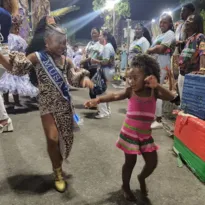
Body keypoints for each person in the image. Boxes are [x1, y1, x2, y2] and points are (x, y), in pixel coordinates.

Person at [0, 16, 93, 193]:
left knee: (64, 141)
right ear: (47, 41)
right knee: (52, 139)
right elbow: (18, 70)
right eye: (58, 42)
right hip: (46, 104)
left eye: (64, 42)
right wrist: (1, 58)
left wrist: (84, 79)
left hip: (65, 105)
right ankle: (57, 172)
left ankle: (58, 164)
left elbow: (73, 78)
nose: (62, 46)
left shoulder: (67, 61)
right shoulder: (36, 57)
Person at [85, 54, 177, 201]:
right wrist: (98, 99)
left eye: (135, 78)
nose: (131, 81)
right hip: (129, 134)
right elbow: (115, 95)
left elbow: (171, 97)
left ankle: (141, 177)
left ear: (148, 77)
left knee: (152, 162)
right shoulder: (130, 91)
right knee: (130, 162)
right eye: (129, 77)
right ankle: (126, 187)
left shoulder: (154, 92)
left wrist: (157, 85)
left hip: (145, 135)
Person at [0, 17, 38, 110]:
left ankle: (7, 102)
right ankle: (16, 103)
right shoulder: (17, 38)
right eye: (16, 28)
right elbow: (24, 49)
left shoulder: (7, 38)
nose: (17, 30)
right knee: (14, 83)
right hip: (16, 61)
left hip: (8, 60)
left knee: (7, 83)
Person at [147, 14, 175, 129]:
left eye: (165, 22)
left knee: (156, 89)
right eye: (161, 22)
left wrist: (150, 49)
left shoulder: (170, 34)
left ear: (170, 24)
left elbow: (161, 49)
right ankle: (154, 116)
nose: (162, 24)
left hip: (162, 65)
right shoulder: (160, 35)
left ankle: (158, 119)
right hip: (155, 65)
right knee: (152, 90)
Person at [91, 30, 116, 119]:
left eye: (100, 35)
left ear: (105, 37)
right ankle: (107, 111)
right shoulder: (109, 46)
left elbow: (105, 61)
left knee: (100, 91)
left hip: (105, 71)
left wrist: (95, 60)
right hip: (109, 71)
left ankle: (103, 112)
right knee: (104, 91)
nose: (99, 37)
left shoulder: (106, 47)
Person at [178, 14, 205, 99]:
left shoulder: (200, 37)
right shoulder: (189, 39)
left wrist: (202, 69)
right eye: (187, 19)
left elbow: (203, 52)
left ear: (196, 24)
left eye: (190, 20)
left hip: (192, 77)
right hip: (182, 75)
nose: (187, 21)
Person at [81, 27, 104, 99]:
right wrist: (84, 58)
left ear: (98, 34)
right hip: (88, 66)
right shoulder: (89, 43)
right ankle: (93, 100)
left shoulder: (100, 44)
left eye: (95, 33)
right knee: (90, 84)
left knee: (95, 84)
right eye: (92, 33)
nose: (93, 34)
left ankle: (95, 101)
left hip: (96, 67)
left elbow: (100, 55)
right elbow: (85, 52)